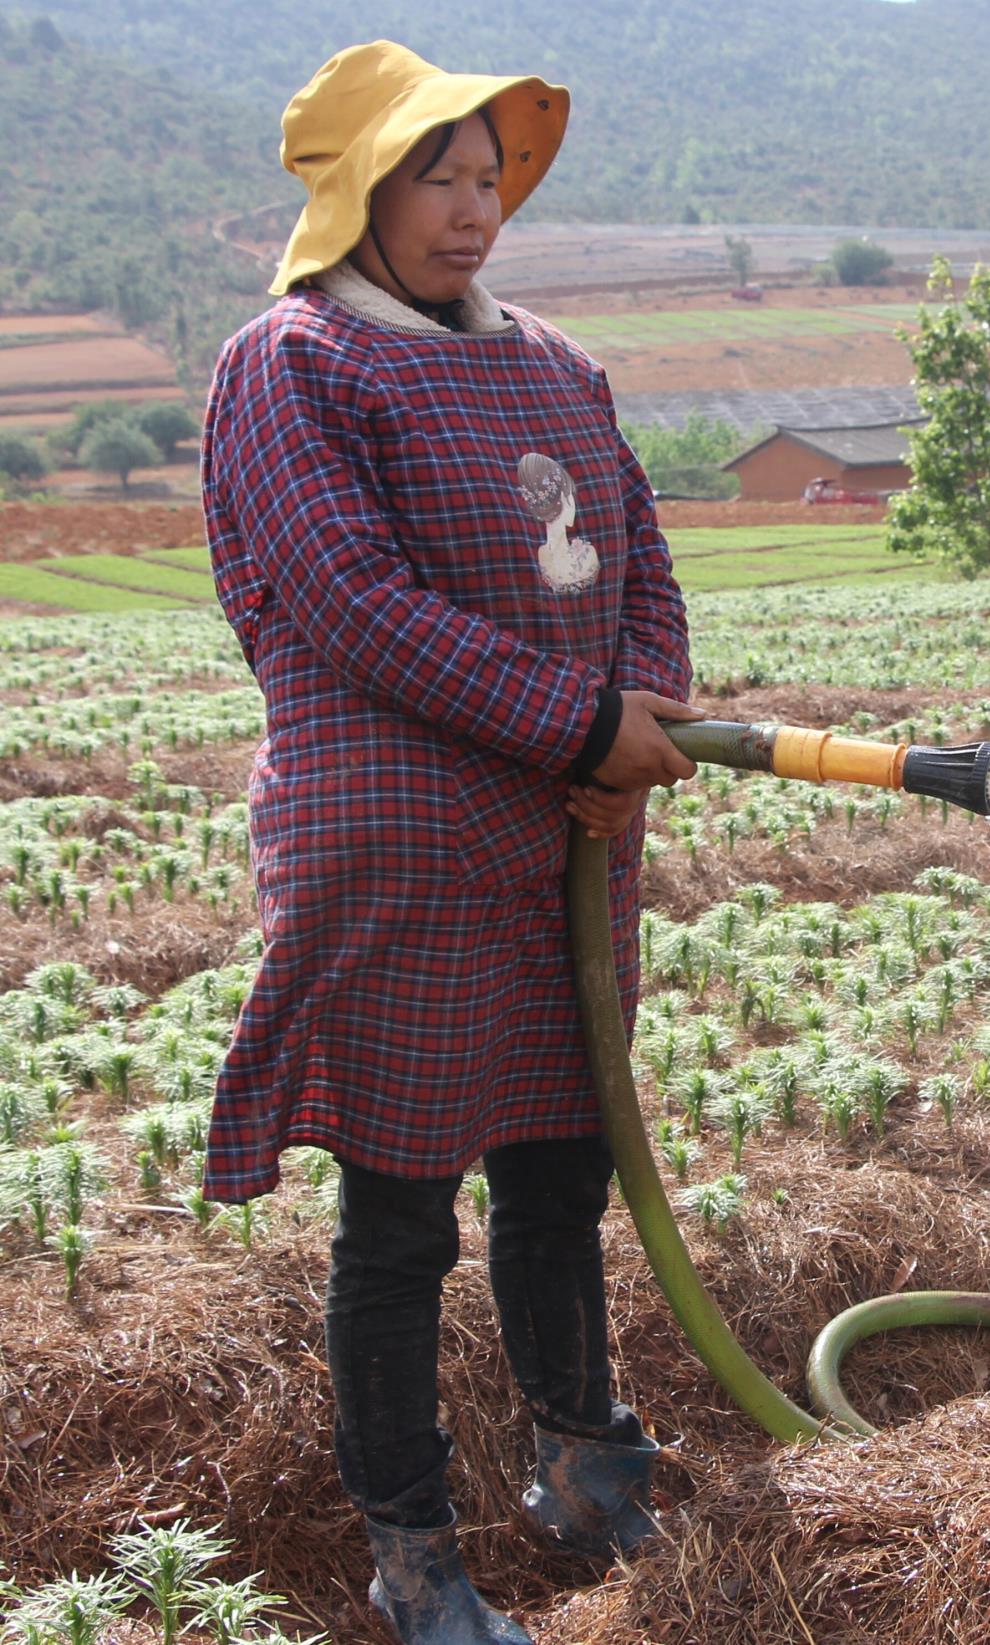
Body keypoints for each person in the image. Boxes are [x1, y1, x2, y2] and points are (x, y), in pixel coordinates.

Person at [200, 41, 699, 1645]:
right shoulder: (291, 365)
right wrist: (574, 728)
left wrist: (648, 726)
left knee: (563, 1170)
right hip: (401, 849)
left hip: (564, 839)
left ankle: (582, 1460)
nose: (475, 208)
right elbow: (354, 604)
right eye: (439, 175)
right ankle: (413, 1549)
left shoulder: (556, 361)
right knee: (404, 1216)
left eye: (492, 177)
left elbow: (642, 564)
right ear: (362, 193)